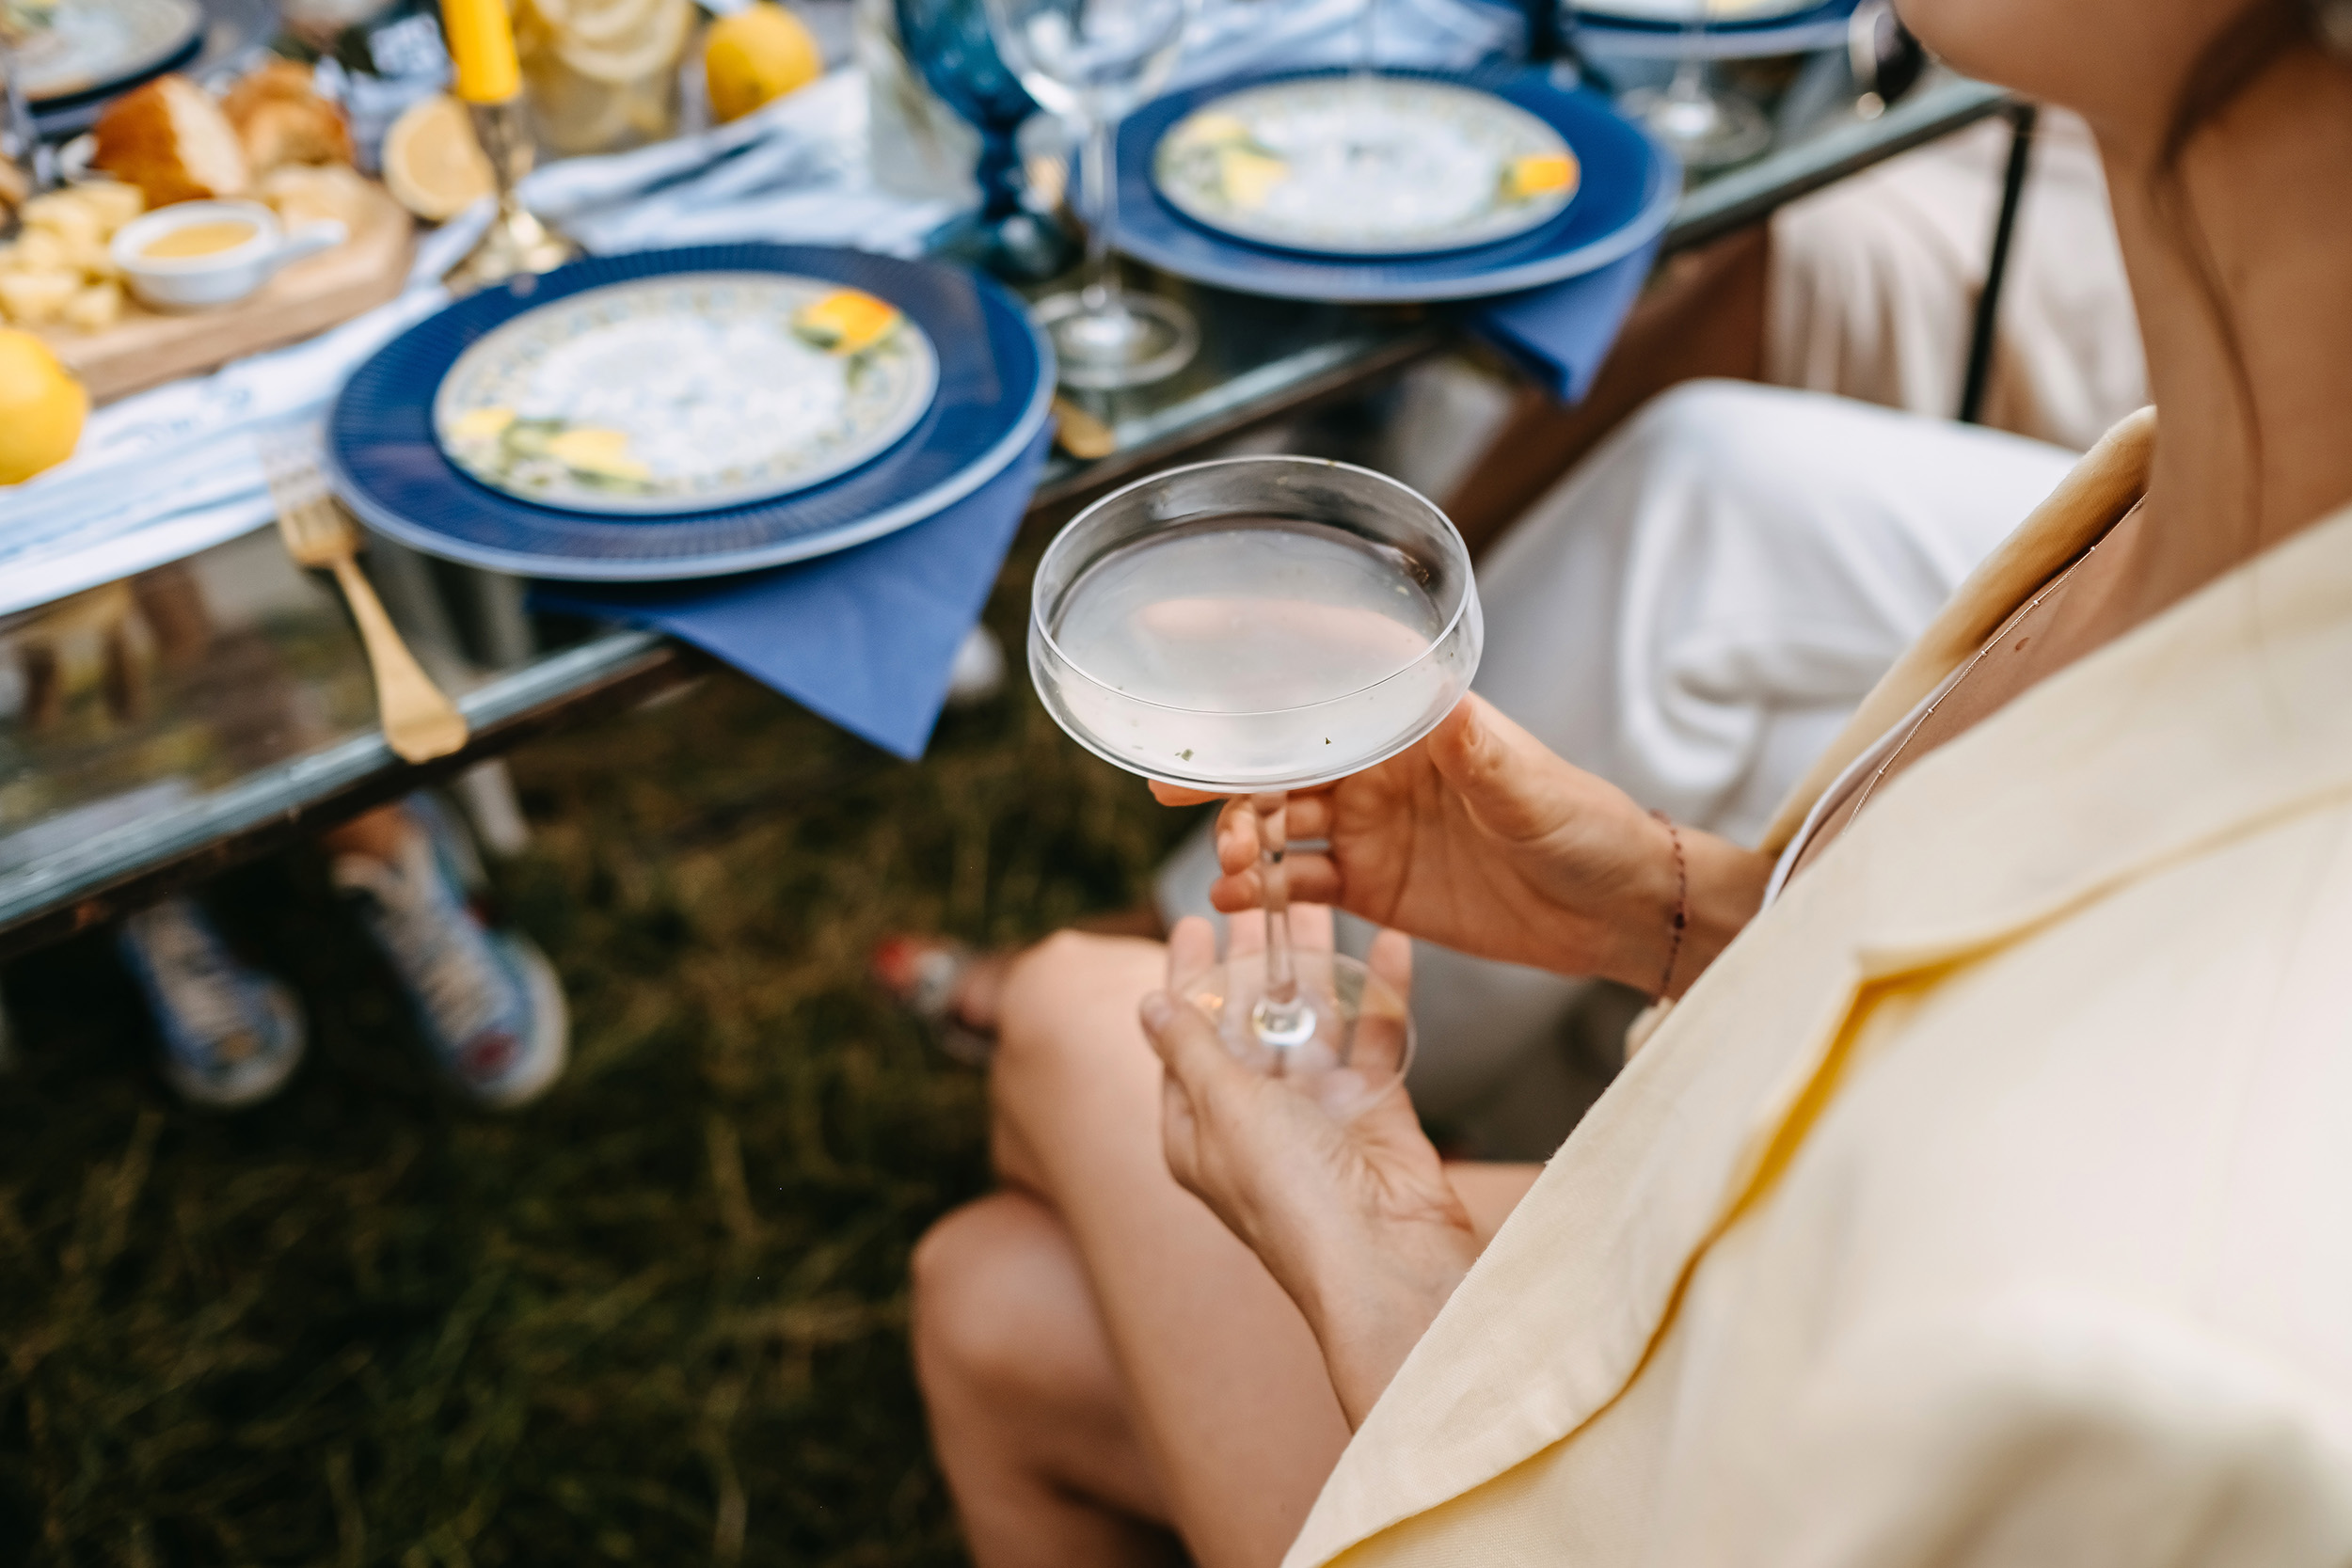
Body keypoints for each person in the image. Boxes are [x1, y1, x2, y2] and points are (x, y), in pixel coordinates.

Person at [909, 2, 2352, 1564]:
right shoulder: (2226, 503)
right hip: (1800, 1333)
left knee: (1072, 1013)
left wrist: (1378, 1255)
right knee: (992, 1309)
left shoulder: (2198, 1343)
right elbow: (2034, 1036)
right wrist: (1683, 910)